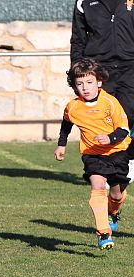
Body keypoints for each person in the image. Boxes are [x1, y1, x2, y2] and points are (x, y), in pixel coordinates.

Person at [54, 58, 130, 249]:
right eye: (79, 84)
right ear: (74, 85)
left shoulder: (110, 103)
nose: (85, 88)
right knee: (97, 186)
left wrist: (109, 138)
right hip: (92, 155)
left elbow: (123, 129)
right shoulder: (73, 106)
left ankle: (113, 211)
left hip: (117, 153)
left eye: (89, 82)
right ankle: (104, 233)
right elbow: (66, 124)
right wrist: (61, 145)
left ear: (99, 82)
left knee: (117, 194)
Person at [71, 0, 134, 177]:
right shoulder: (83, 2)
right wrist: (77, 74)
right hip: (98, 68)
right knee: (99, 118)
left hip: (130, 67)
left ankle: (128, 161)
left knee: (128, 115)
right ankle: (101, 169)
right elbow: (78, 39)